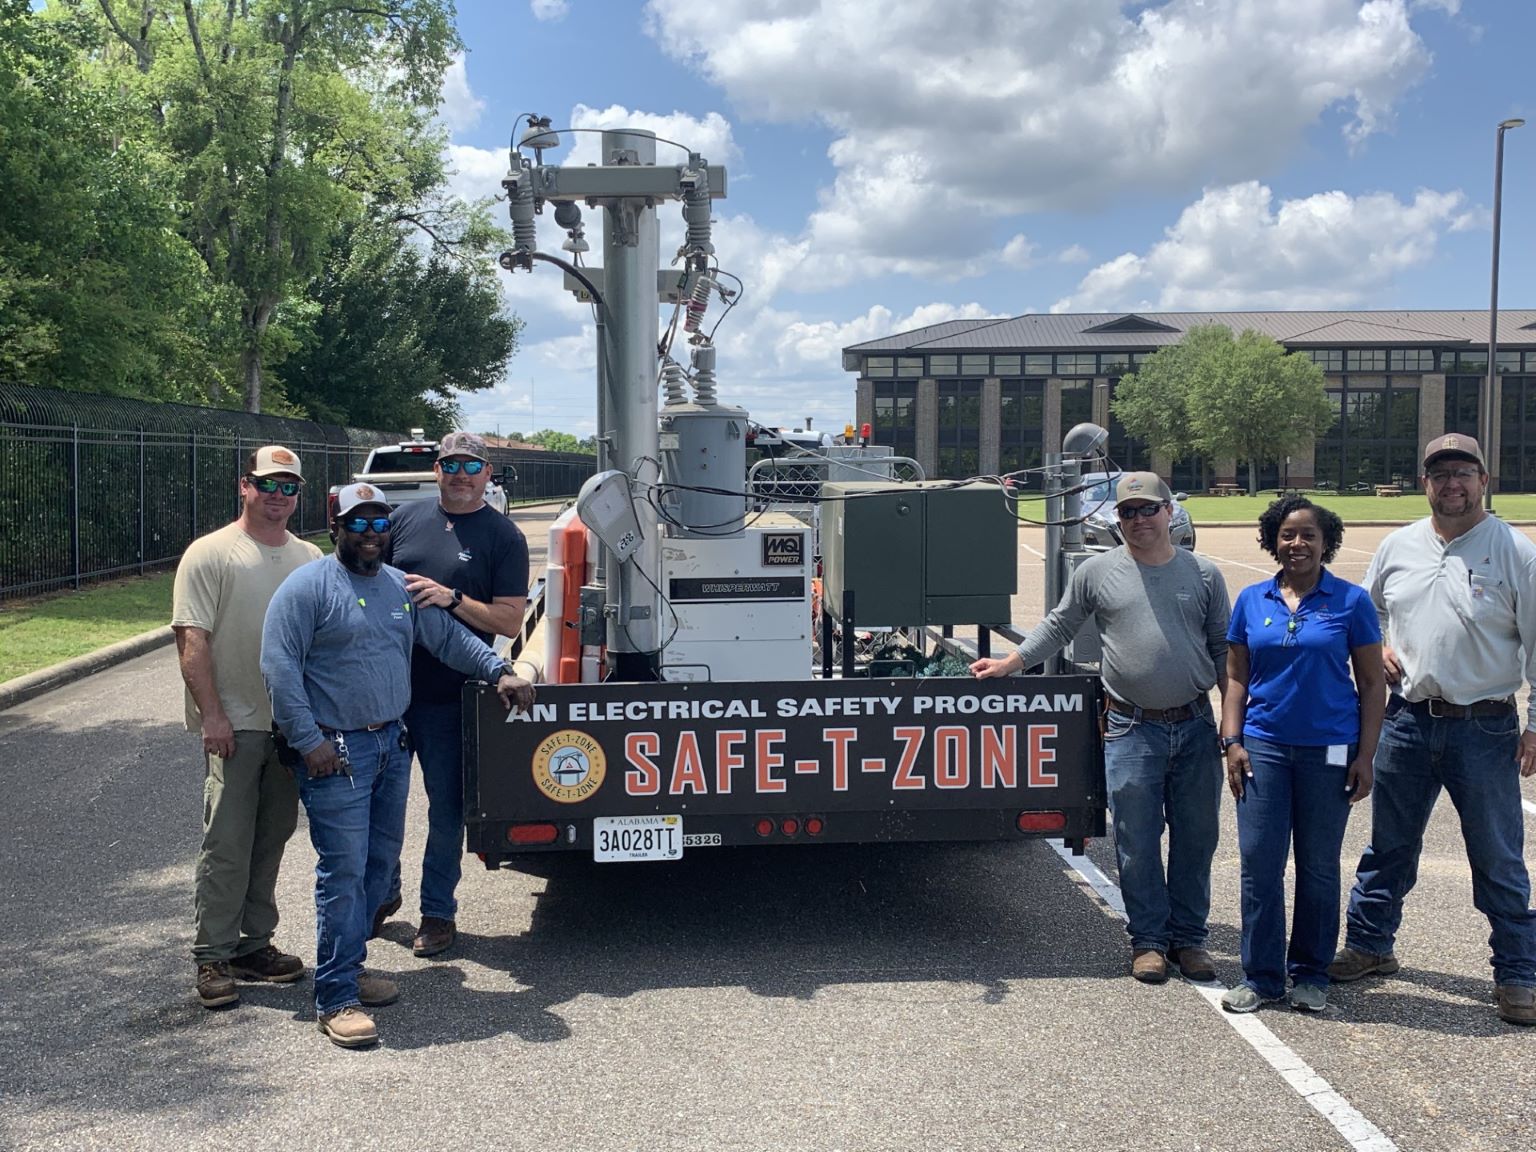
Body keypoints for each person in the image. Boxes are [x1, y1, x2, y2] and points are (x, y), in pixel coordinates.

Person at [261, 483, 536, 1049]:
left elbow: (448, 639)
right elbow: (280, 669)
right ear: (334, 527)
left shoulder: (396, 587)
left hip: (389, 744)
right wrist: (307, 739)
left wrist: (498, 670)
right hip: (334, 751)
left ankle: (352, 966)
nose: (370, 534)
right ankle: (336, 997)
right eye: (357, 524)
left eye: (378, 523)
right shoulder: (307, 588)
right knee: (343, 869)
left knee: (375, 866)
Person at [972, 471, 1230, 984]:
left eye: (1148, 509)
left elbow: (1224, 650)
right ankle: (1150, 940)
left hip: (1196, 724)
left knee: (1197, 837)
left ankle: (1190, 939)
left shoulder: (1203, 575)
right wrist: (1012, 663)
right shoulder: (1097, 572)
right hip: (1131, 728)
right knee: (1136, 838)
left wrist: (1237, 727)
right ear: (1119, 519)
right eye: (1127, 512)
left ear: (1169, 513)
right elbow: (1061, 624)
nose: (1138, 520)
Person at [1329, 434, 1536, 1026]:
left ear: (1484, 479)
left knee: (1498, 856)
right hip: (1408, 722)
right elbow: (1365, 612)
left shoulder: (1515, 552)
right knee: (1390, 846)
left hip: (1486, 725)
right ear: (1426, 483)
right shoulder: (1398, 546)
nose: (1452, 484)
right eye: (1440, 473)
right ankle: (1370, 945)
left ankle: (1518, 972)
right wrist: (1382, 646)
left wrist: (1535, 728)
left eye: (1463, 473)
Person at [1218, 496, 1384, 1014]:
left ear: (1325, 541)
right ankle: (1262, 977)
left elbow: (1374, 684)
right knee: (1260, 865)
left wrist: (1366, 755)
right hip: (1263, 746)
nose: (1298, 544)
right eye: (1288, 534)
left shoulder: (1351, 602)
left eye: (1308, 534)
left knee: (1317, 866)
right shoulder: (1251, 599)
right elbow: (1236, 678)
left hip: (1331, 749)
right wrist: (1232, 740)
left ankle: (1311, 972)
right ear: (1273, 540)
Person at [172, 446, 322, 1009]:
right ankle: (212, 954)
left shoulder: (308, 557)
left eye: (289, 486)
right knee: (227, 842)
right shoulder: (211, 553)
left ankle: (252, 946)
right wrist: (212, 714)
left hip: (289, 726)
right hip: (234, 725)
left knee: (272, 837)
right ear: (245, 486)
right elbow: (192, 640)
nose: (279, 495)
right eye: (269, 484)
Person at [376, 431, 529, 959]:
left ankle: (437, 913)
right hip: (389, 695)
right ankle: (381, 895)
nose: (460, 475)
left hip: (454, 697)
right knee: (381, 806)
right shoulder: (403, 520)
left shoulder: (502, 535)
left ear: (488, 474)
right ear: (437, 470)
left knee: (446, 812)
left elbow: (509, 621)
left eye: (471, 466)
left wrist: (452, 597)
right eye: (450, 465)